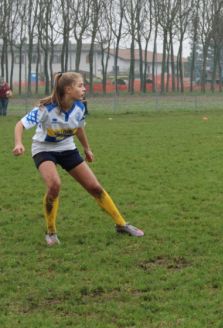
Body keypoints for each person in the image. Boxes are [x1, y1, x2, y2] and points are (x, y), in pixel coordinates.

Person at [12, 72, 144, 246]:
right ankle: (51, 232)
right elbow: (20, 124)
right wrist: (18, 143)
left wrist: (87, 149)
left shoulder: (80, 107)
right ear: (68, 89)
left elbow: (79, 128)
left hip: (67, 148)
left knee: (95, 187)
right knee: (54, 185)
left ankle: (121, 224)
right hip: (43, 149)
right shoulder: (46, 108)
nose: (84, 88)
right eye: (80, 85)